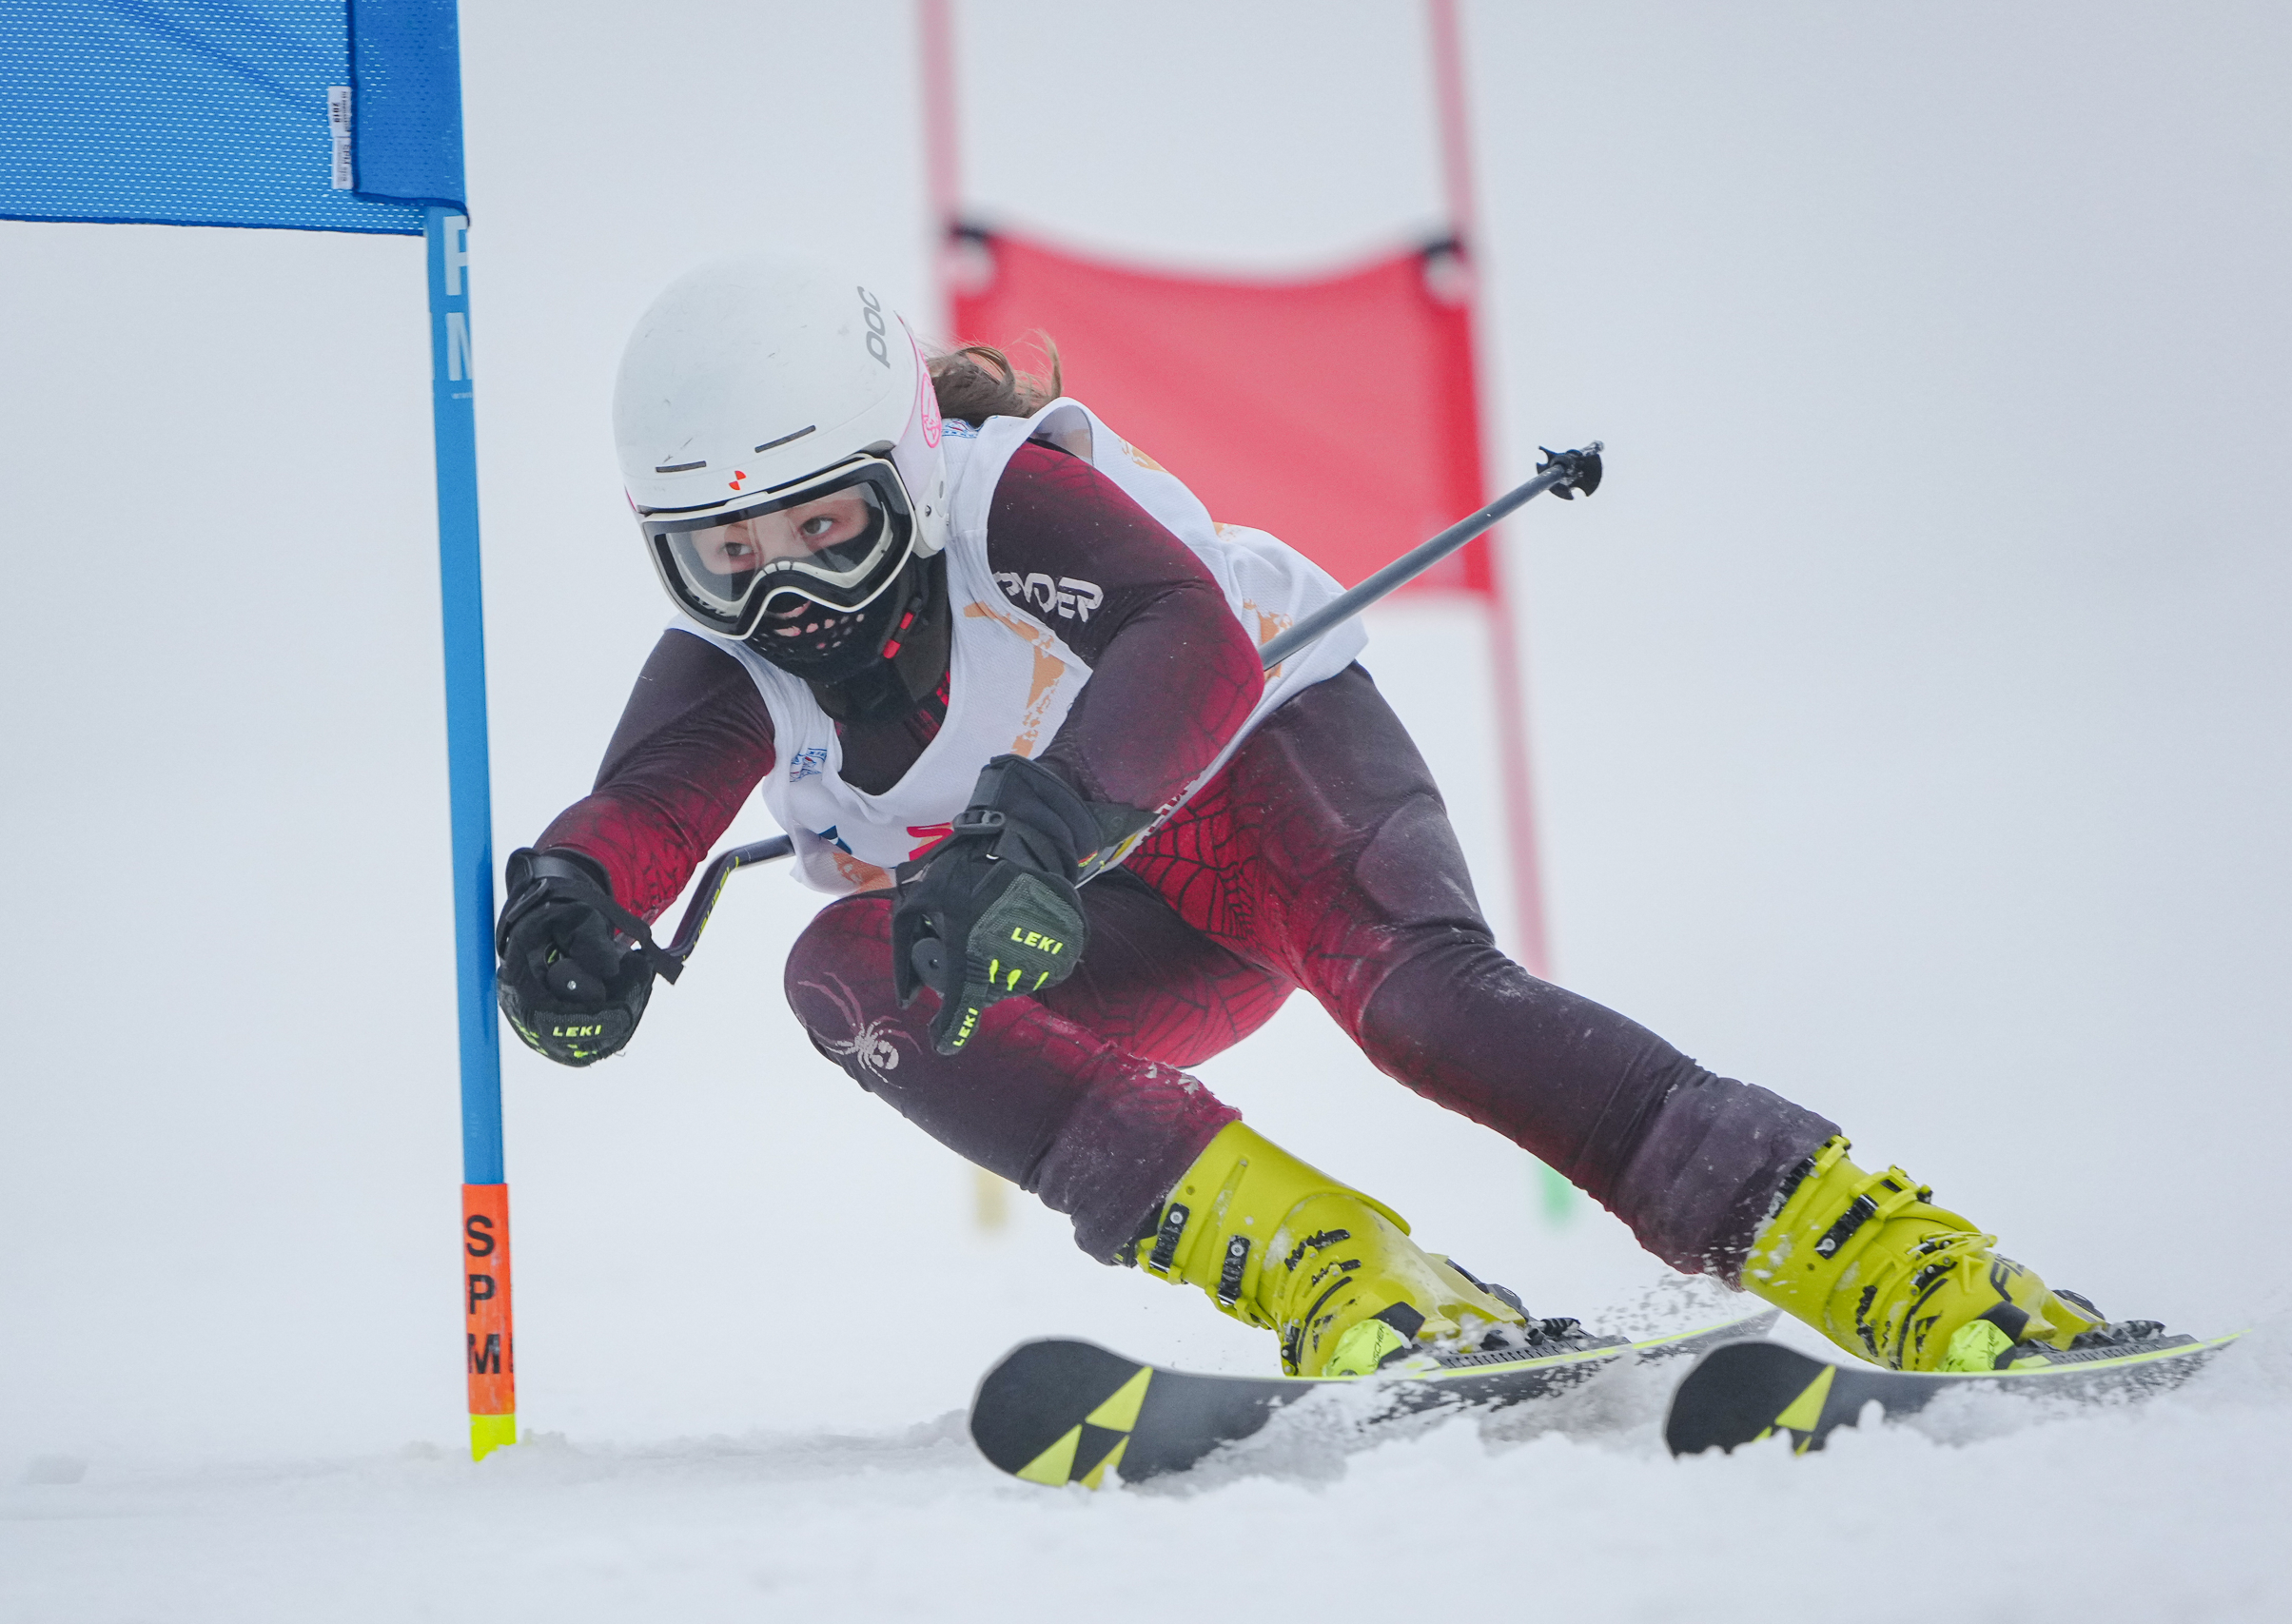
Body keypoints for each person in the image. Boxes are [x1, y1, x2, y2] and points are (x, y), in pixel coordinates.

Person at [497, 255, 2148, 1380]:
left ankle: (1870, 1245)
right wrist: (572, 903)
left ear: (911, 472)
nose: (788, 590)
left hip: (1265, 787)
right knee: (844, 967)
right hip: (1108, 918)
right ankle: (1342, 1270)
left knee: (1417, 997)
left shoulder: (1008, 497)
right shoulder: (732, 662)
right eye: (729, 557)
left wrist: (1041, 825)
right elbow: (645, 805)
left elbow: (1190, 635)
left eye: (831, 524)